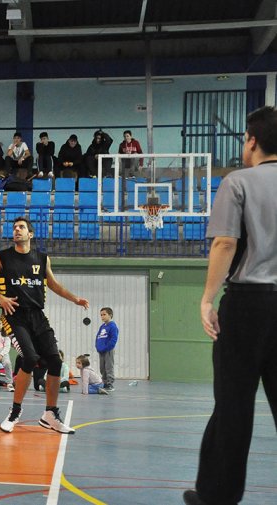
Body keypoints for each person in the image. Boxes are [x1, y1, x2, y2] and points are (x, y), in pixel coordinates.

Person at [183, 106, 277, 505]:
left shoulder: (237, 182)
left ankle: (217, 497)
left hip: (248, 306)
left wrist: (207, 299)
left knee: (234, 405)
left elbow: (224, 243)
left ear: (252, 141)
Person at [0, 216, 89, 435]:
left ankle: (50, 414)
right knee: (30, 358)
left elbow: (54, 285)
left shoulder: (41, 259)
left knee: (55, 361)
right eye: (14, 228)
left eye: (21, 227)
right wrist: (0, 298)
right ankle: (14, 412)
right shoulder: (1, 257)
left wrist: (75, 299)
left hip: (37, 316)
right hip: (14, 315)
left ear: (30, 234)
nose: (17, 230)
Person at [95, 307, 118, 391]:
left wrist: (107, 347)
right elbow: (98, 337)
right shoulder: (102, 327)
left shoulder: (112, 326)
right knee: (102, 368)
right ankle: (104, 382)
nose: (102, 316)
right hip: (101, 351)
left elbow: (114, 339)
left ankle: (110, 384)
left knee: (109, 367)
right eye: (101, 315)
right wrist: (98, 347)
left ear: (110, 315)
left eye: (104, 314)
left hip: (108, 350)